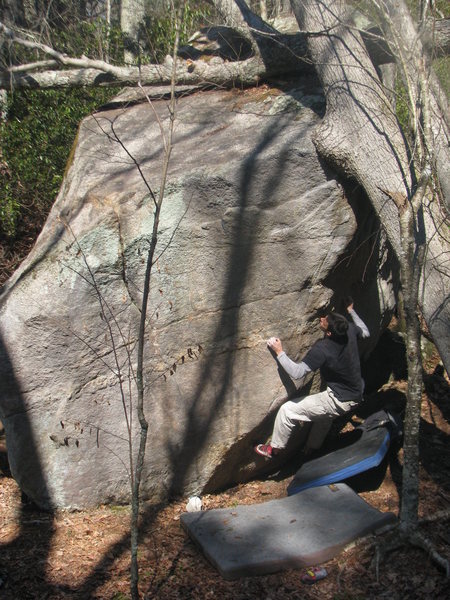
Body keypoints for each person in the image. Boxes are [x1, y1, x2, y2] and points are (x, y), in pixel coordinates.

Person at [255, 300, 370, 458]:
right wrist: (351, 311)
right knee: (325, 417)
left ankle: (274, 449)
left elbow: (298, 373)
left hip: (340, 399)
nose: (321, 319)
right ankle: (311, 448)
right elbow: (366, 331)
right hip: (356, 392)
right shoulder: (348, 329)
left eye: (325, 321)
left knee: (287, 410)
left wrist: (279, 352)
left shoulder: (323, 349)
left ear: (329, 333)